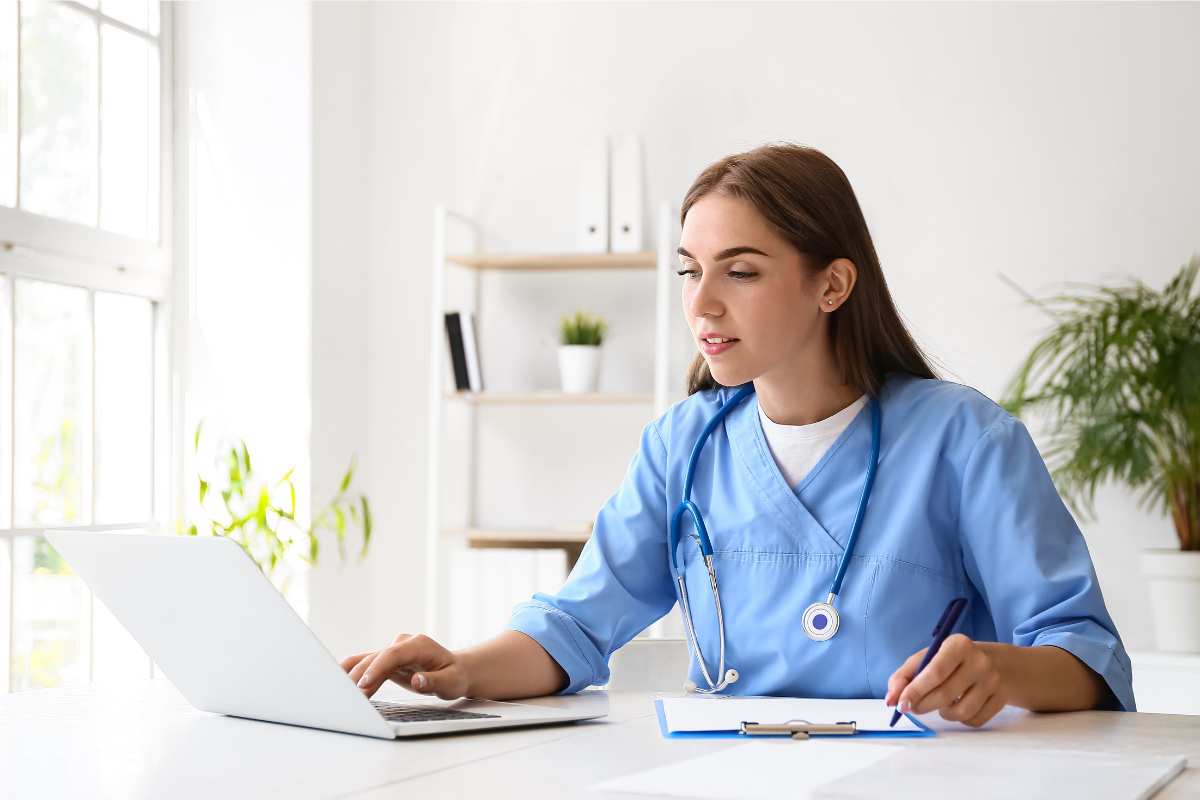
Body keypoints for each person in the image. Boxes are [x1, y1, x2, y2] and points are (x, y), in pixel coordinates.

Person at [342, 143, 1134, 726]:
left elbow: (1084, 653)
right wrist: (461, 667)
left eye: (741, 271)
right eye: (690, 271)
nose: (702, 304)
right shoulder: (680, 446)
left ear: (833, 283)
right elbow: (576, 627)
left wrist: (1002, 669)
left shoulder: (967, 442)